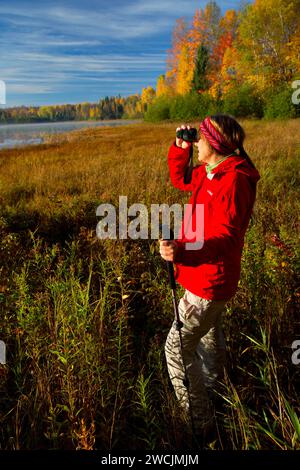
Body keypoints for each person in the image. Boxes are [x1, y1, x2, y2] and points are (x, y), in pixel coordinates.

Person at [159, 113, 260, 440]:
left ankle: (200, 425)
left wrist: (182, 252)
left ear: (215, 144)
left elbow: (227, 239)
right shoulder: (213, 170)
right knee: (208, 346)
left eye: (200, 138)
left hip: (209, 281)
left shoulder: (233, 180)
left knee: (175, 349)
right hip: (204, 277)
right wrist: (180, 146)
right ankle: (219, 402)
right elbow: (180, 180)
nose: (196, 143)